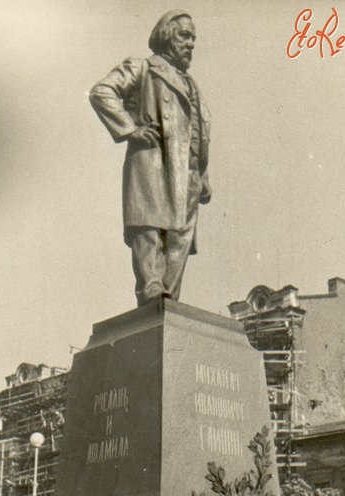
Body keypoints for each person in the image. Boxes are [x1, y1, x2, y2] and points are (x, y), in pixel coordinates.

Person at [89, 11, 211, 308]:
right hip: (154, 163)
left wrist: (202, 174)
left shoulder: (192, 86)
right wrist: (130, 130)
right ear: (167, 36)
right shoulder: (143, 68)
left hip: (186, 175)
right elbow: (102, 91)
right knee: (150, 229)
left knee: (179, 238)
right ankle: (153, 292)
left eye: (193, 37)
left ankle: (168, 301)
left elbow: (196, 132)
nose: (191, 43)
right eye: (184, 35)